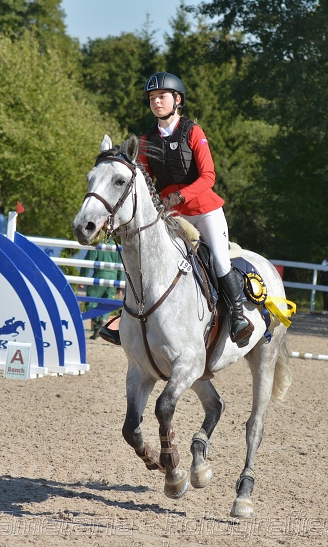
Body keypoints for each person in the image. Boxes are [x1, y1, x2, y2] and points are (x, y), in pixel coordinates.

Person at [137, 71, 253, 346]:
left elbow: (209, 176)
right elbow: (143, 178)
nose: (156, 102)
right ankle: (131, 318)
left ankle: (237, 316)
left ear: (177, 99)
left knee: (219, 260)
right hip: (171, 215)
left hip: (204, 211)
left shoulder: (193, 131)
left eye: (162, 96)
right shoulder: (146, 140)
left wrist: (179, 196)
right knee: (148, 260)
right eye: (152, 98)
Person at [79, 247, 123, 339]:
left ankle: (99, 320)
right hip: (114, 277)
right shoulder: (116, 246)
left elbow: (88, 262)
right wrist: (119, 285)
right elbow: (120, 266)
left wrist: (82, 278)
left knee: (90, 302)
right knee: (107, 303)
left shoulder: (98, 244)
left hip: (100, 275)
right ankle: (100, 327)